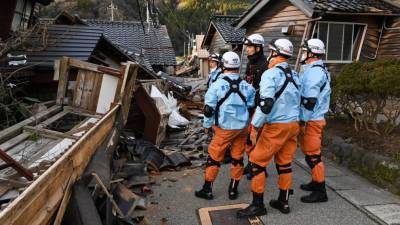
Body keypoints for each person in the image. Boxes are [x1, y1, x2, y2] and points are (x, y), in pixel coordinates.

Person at [237, 39, 300, 218]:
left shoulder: (270, 74)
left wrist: (255, 126)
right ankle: (283, 201)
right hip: (293, 124)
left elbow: (265, 104)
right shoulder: (295, 74)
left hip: (276, 126)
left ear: (274, 53)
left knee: (256, 163)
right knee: (284, 163)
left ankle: (258, 206)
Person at [195, 51, 255, 200]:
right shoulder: (247, 87)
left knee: (214, 158)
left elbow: (209, 110)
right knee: (238, 158)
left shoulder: (216, 86)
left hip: (224, 129)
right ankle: (233, 190)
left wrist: (207, 125)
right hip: (242, 128)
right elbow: (251, 105)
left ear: (222, 65)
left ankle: (207, 189)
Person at [298, 38, 331, 203]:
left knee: (313, 155)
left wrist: (301, 120)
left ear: (311, 52)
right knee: (309, 153)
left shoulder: (314, 72)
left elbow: (309, 101)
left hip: (312, 119)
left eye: (305, 51)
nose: (303, 53)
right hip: (314, 117)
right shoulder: (317, 68)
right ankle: (315, 181)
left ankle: (321, 191)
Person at [242, 34, 268, 176]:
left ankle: (259, 166)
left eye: (250, 47)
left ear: (258, 48)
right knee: (249, 138)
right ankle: (251, 162)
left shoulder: (265, 65)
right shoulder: (250, 63)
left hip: (259, 107)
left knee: (257, 138)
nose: (248, 50)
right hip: (249, 106)